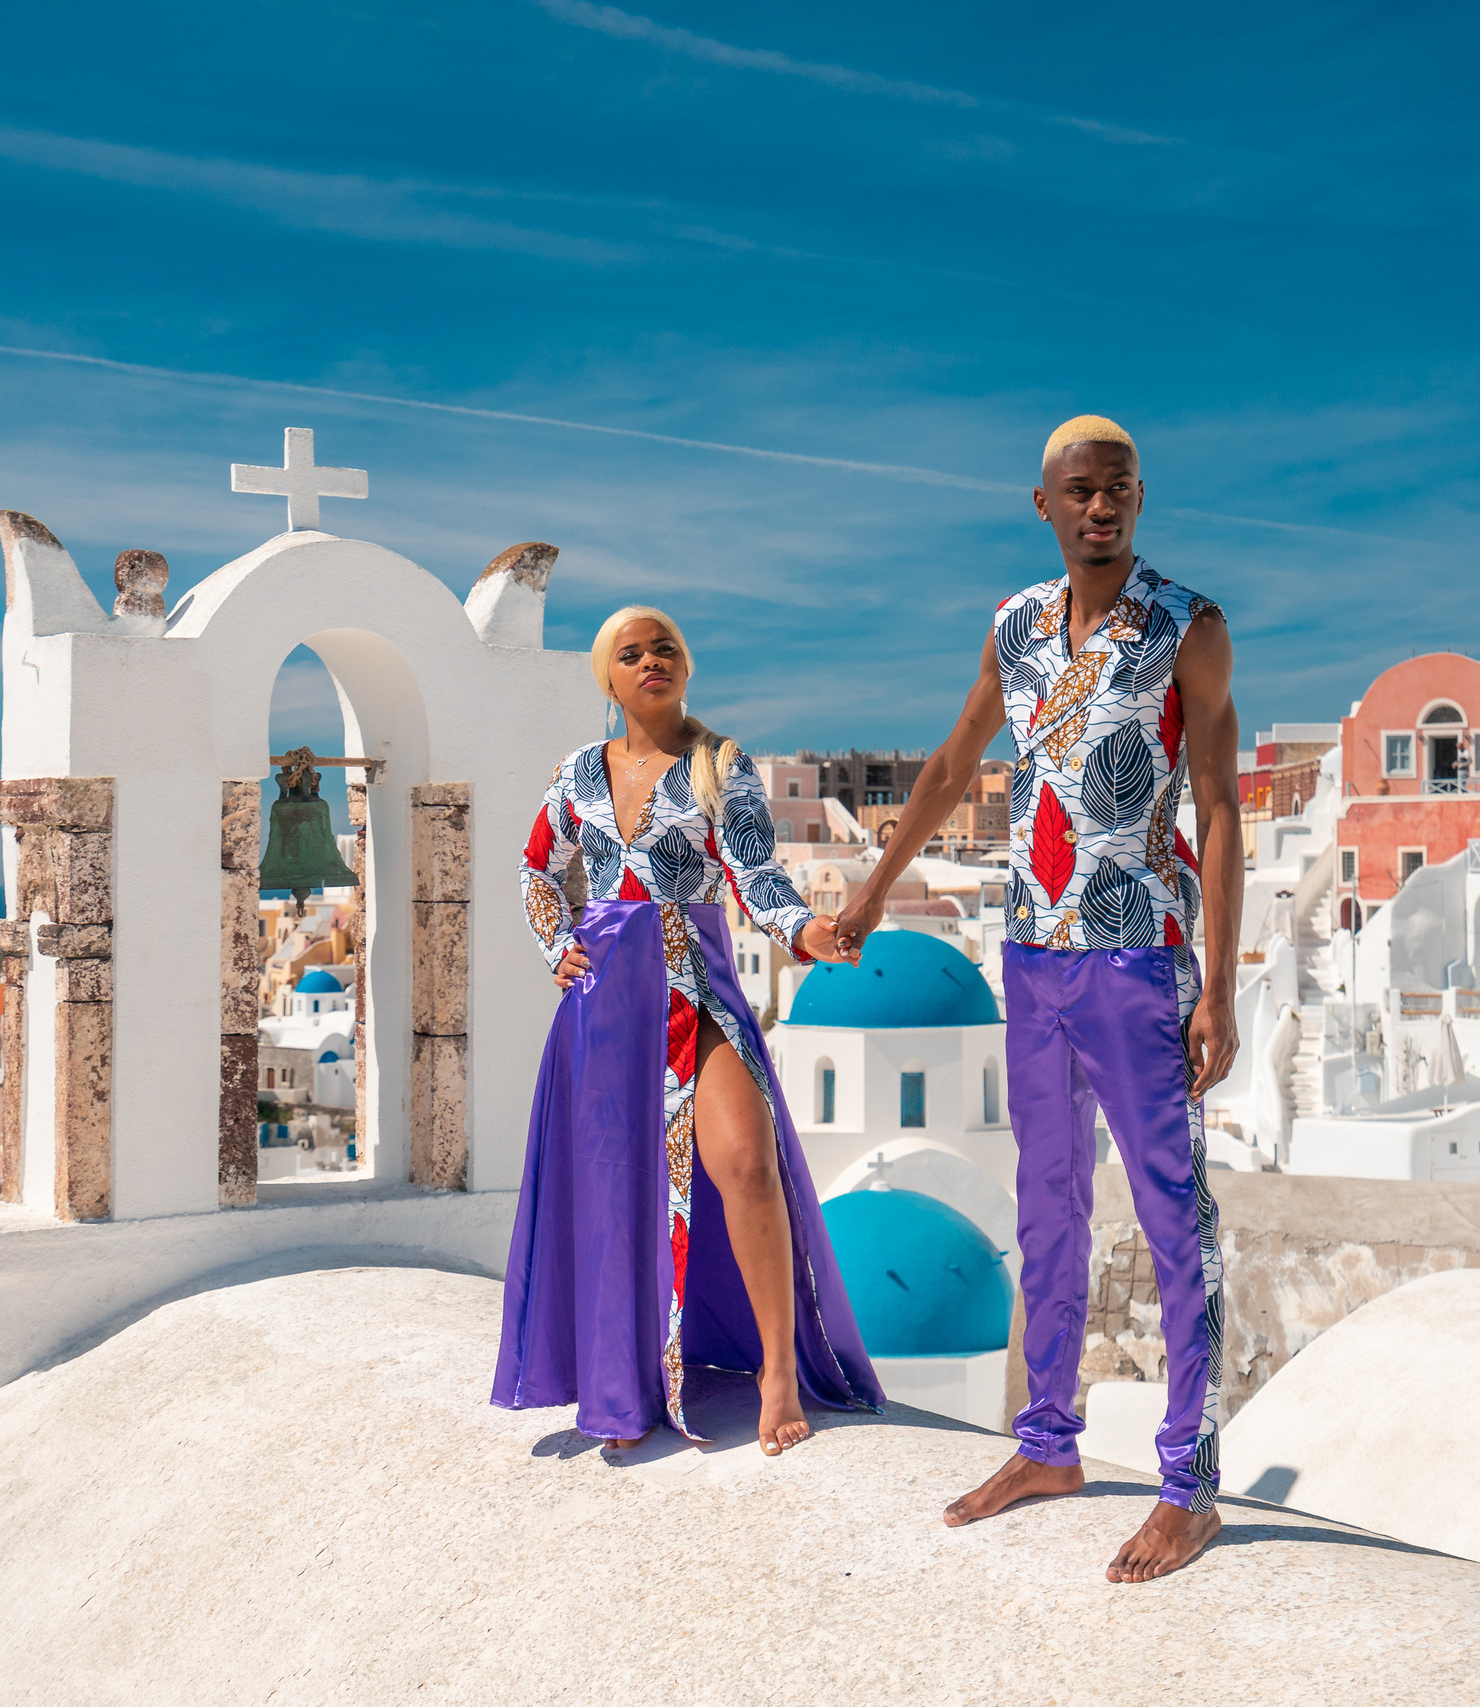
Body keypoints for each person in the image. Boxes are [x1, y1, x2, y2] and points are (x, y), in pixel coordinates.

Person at [832, 416, 1243, 1582]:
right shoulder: (1014, 628)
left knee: (1175, 1221)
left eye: (1117, 490)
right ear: (1044, 504)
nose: (1099, 508)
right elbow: (956, 766)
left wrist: (1220, 984)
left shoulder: (1186, 627)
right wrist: (871, 895)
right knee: (1044, 1207)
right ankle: (1048, 1444)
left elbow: (1216, 804)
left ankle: (1190, 1484)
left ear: (1139, 498)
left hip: (1139, 960)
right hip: (1032, 957)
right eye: (1079, 492)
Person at [495, 605, 884, 1455]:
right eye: (629, 654)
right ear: (609, 678)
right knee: (614, 1189)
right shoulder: (576, 775)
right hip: (603, 1003)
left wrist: (807, 932)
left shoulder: (719, 766)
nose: (649, 661)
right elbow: (535, 864)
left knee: (746, 1161)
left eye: (663, 647)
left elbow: (754, 872)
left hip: (693, 984)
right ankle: (622, 1387)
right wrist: (555, 942)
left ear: (685, 663)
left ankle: (778, 1369)